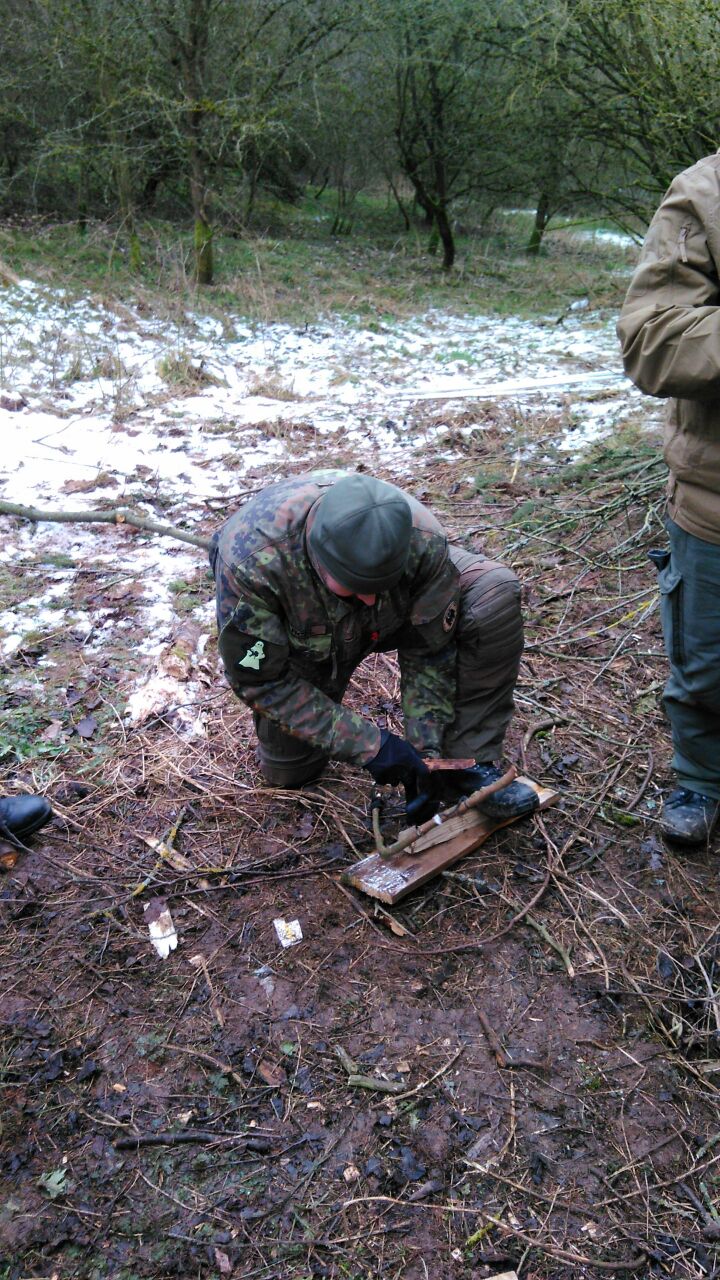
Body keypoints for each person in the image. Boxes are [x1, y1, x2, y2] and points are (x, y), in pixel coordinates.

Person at [209, 470, 537, 822]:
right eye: (355, 586)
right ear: (318, 561)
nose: (369, 600)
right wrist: (372, 747)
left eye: (381, 585)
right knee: (290, 772)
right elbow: (261, 682)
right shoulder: (252, 566)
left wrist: (427, 752)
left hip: (393, 620)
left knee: (492, 593)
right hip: (305, 643)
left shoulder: (420, 540)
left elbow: (428, 648)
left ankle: (464, 762)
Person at [618, 151, 720, 844]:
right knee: (706, 662)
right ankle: (702, 778)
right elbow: (651, 339)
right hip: (716, 502)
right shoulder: (708, 190)